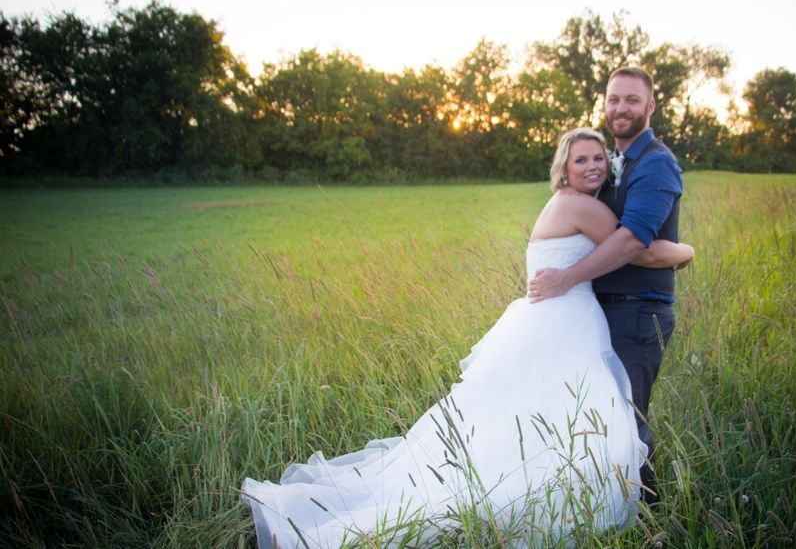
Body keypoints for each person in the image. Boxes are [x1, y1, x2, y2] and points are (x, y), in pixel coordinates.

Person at [241, 128, 694, 548]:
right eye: (582, 160)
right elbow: (642, 248)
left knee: (541, 418)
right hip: (564, 321)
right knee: (564, 418)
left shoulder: (568, 201)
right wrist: (688, 250)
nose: (593, 166)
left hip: (554, 319)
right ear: (565, 169)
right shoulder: (582, 205)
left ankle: (545, 494)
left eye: (599, 158)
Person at [528, 66, 685, 504]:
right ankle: (598, 502)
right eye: (614, 99)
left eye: (632, 100)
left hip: (637, 309)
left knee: (627, 416)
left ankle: (649, 514)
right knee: (602, 415)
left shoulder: (655, 164)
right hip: (601, 309)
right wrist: (683, 251)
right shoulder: (615, 168)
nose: (621, 108)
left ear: (650, 106)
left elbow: (635, 241)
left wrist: (569, 278)